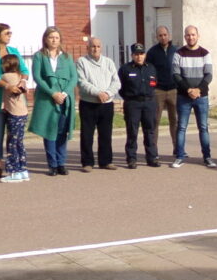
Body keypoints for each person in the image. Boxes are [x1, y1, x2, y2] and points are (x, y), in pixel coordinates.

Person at [29, 26, 78, 176]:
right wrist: (53, 93)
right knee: (49, 131)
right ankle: (53, 164)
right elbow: (37, 77)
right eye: (51, 37)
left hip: (64, 99)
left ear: (60, 40)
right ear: (45, 39)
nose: (54, 40)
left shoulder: (67, 57)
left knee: (62, 131)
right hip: (47, 99)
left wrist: (63, 93)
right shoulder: (39, 56)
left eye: (56, 38)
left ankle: (62, 163)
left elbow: (73, 78)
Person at [0, 22, 28, 180]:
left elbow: (24, 70)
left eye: (10, 33)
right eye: (6, 33)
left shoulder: (14, 51)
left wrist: (22, 82)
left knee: (14, 136)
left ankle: (17, 166)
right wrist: (7, 86)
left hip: (14, 101)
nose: (9, 35)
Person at [170, 25, 215, 169]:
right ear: (185, 37)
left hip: (201, 97)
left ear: (198, 36)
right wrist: (188, 89)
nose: (191, 37)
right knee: (181, 127)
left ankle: (207, 157)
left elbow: (208, 75)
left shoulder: (205, 53)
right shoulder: (179, 53)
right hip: (184, 96)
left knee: (203, 127)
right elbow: (176, 75)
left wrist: (198, 90)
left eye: (193, 35)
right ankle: (180, 156)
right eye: (188, 35)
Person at [76, 36, 121, 172]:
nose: (95, 49)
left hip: (106, 104)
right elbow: (81, 82)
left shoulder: (108, 62)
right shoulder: (81, 62)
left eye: (98, 46)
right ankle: (87, 162)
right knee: (87, 135)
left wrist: (107, 93)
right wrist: (97, 93)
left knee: (106, 134)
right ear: (88, 47)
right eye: (93, 46)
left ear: (101, 48)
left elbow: (116, 82)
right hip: (88, 103)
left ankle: (106, 161)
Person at [118, 43, 160, 168]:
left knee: (150, 131)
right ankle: (131, 159)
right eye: (136, 54)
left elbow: (154, 84)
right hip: (133, 103)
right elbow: (121, 88)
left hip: (149, 102)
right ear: (132, 55)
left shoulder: (151, 68)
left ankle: (152, 158)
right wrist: (129, 98)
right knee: (132, 132)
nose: (139, 57)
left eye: (141, 54)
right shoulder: (125, 69)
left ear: (145, 55)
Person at [0, 54, 30, 183]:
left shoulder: (5, 77)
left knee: (11, 143)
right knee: (19, 143)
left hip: (14, 114)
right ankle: (23, 170)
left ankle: (14, 171)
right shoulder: (19, 77)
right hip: (23, 113)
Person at [148, 26, 178, 160]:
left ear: (169, 35)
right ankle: (153, 151)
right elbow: (149, 71)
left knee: (175, 121)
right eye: (160, 35)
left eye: (165, 35)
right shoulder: (152, 52)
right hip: (158, 91)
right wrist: (153, 87)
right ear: (157, 37)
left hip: (173, 90)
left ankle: (178, 149)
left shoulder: (176, 51)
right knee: (155, 121)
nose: (163, 37)